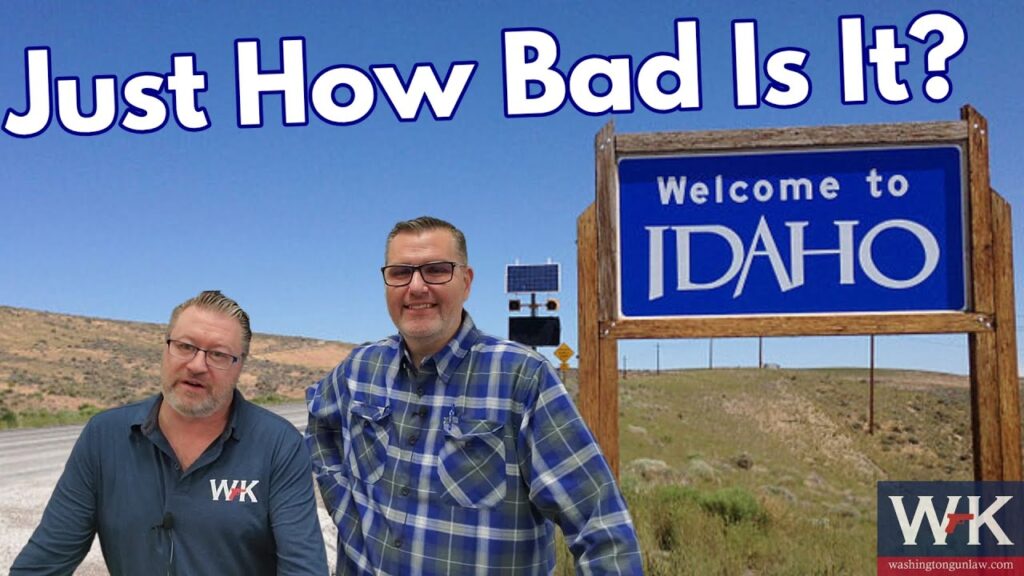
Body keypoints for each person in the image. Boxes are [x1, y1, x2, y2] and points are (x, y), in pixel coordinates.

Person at [307, 216, 642, 574]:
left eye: (436, 270)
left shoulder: (522, 379)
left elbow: (600, 526)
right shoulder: (360, 369)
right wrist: (346, 514)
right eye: (401, 272)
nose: (416, 287)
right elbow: (319, 427)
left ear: (466, 283)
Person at [12, 290, 329, 575]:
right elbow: (45, 559)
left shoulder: (278, 445)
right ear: (166, 349)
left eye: (218, 354)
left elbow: (304, 567)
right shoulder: (103, 437)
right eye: (185, 346)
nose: (196, 365)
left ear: (240, 364)